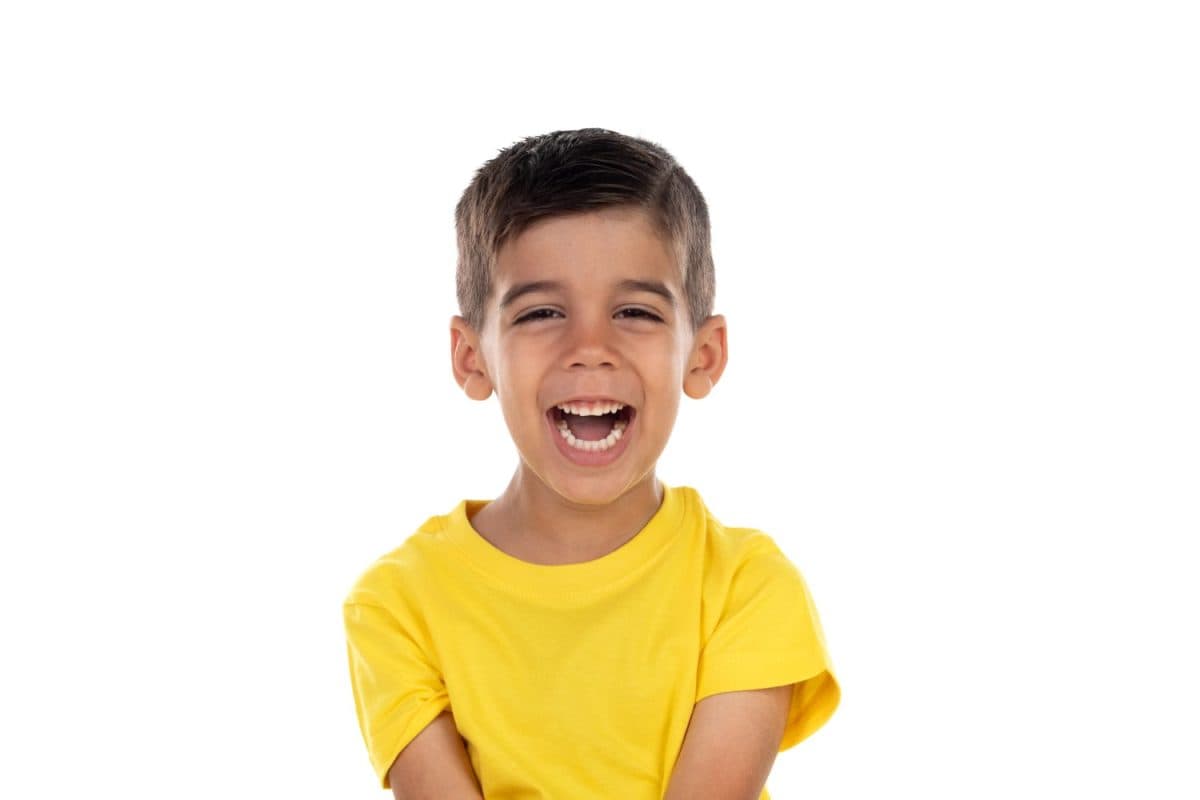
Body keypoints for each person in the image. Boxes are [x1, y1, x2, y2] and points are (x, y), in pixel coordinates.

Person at [343, 128, 841, 799]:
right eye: (542, 312)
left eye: (634, 311)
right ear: (472, 358)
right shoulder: (397, 604)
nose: (590, 348)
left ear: (704, 355)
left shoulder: (747, 589)